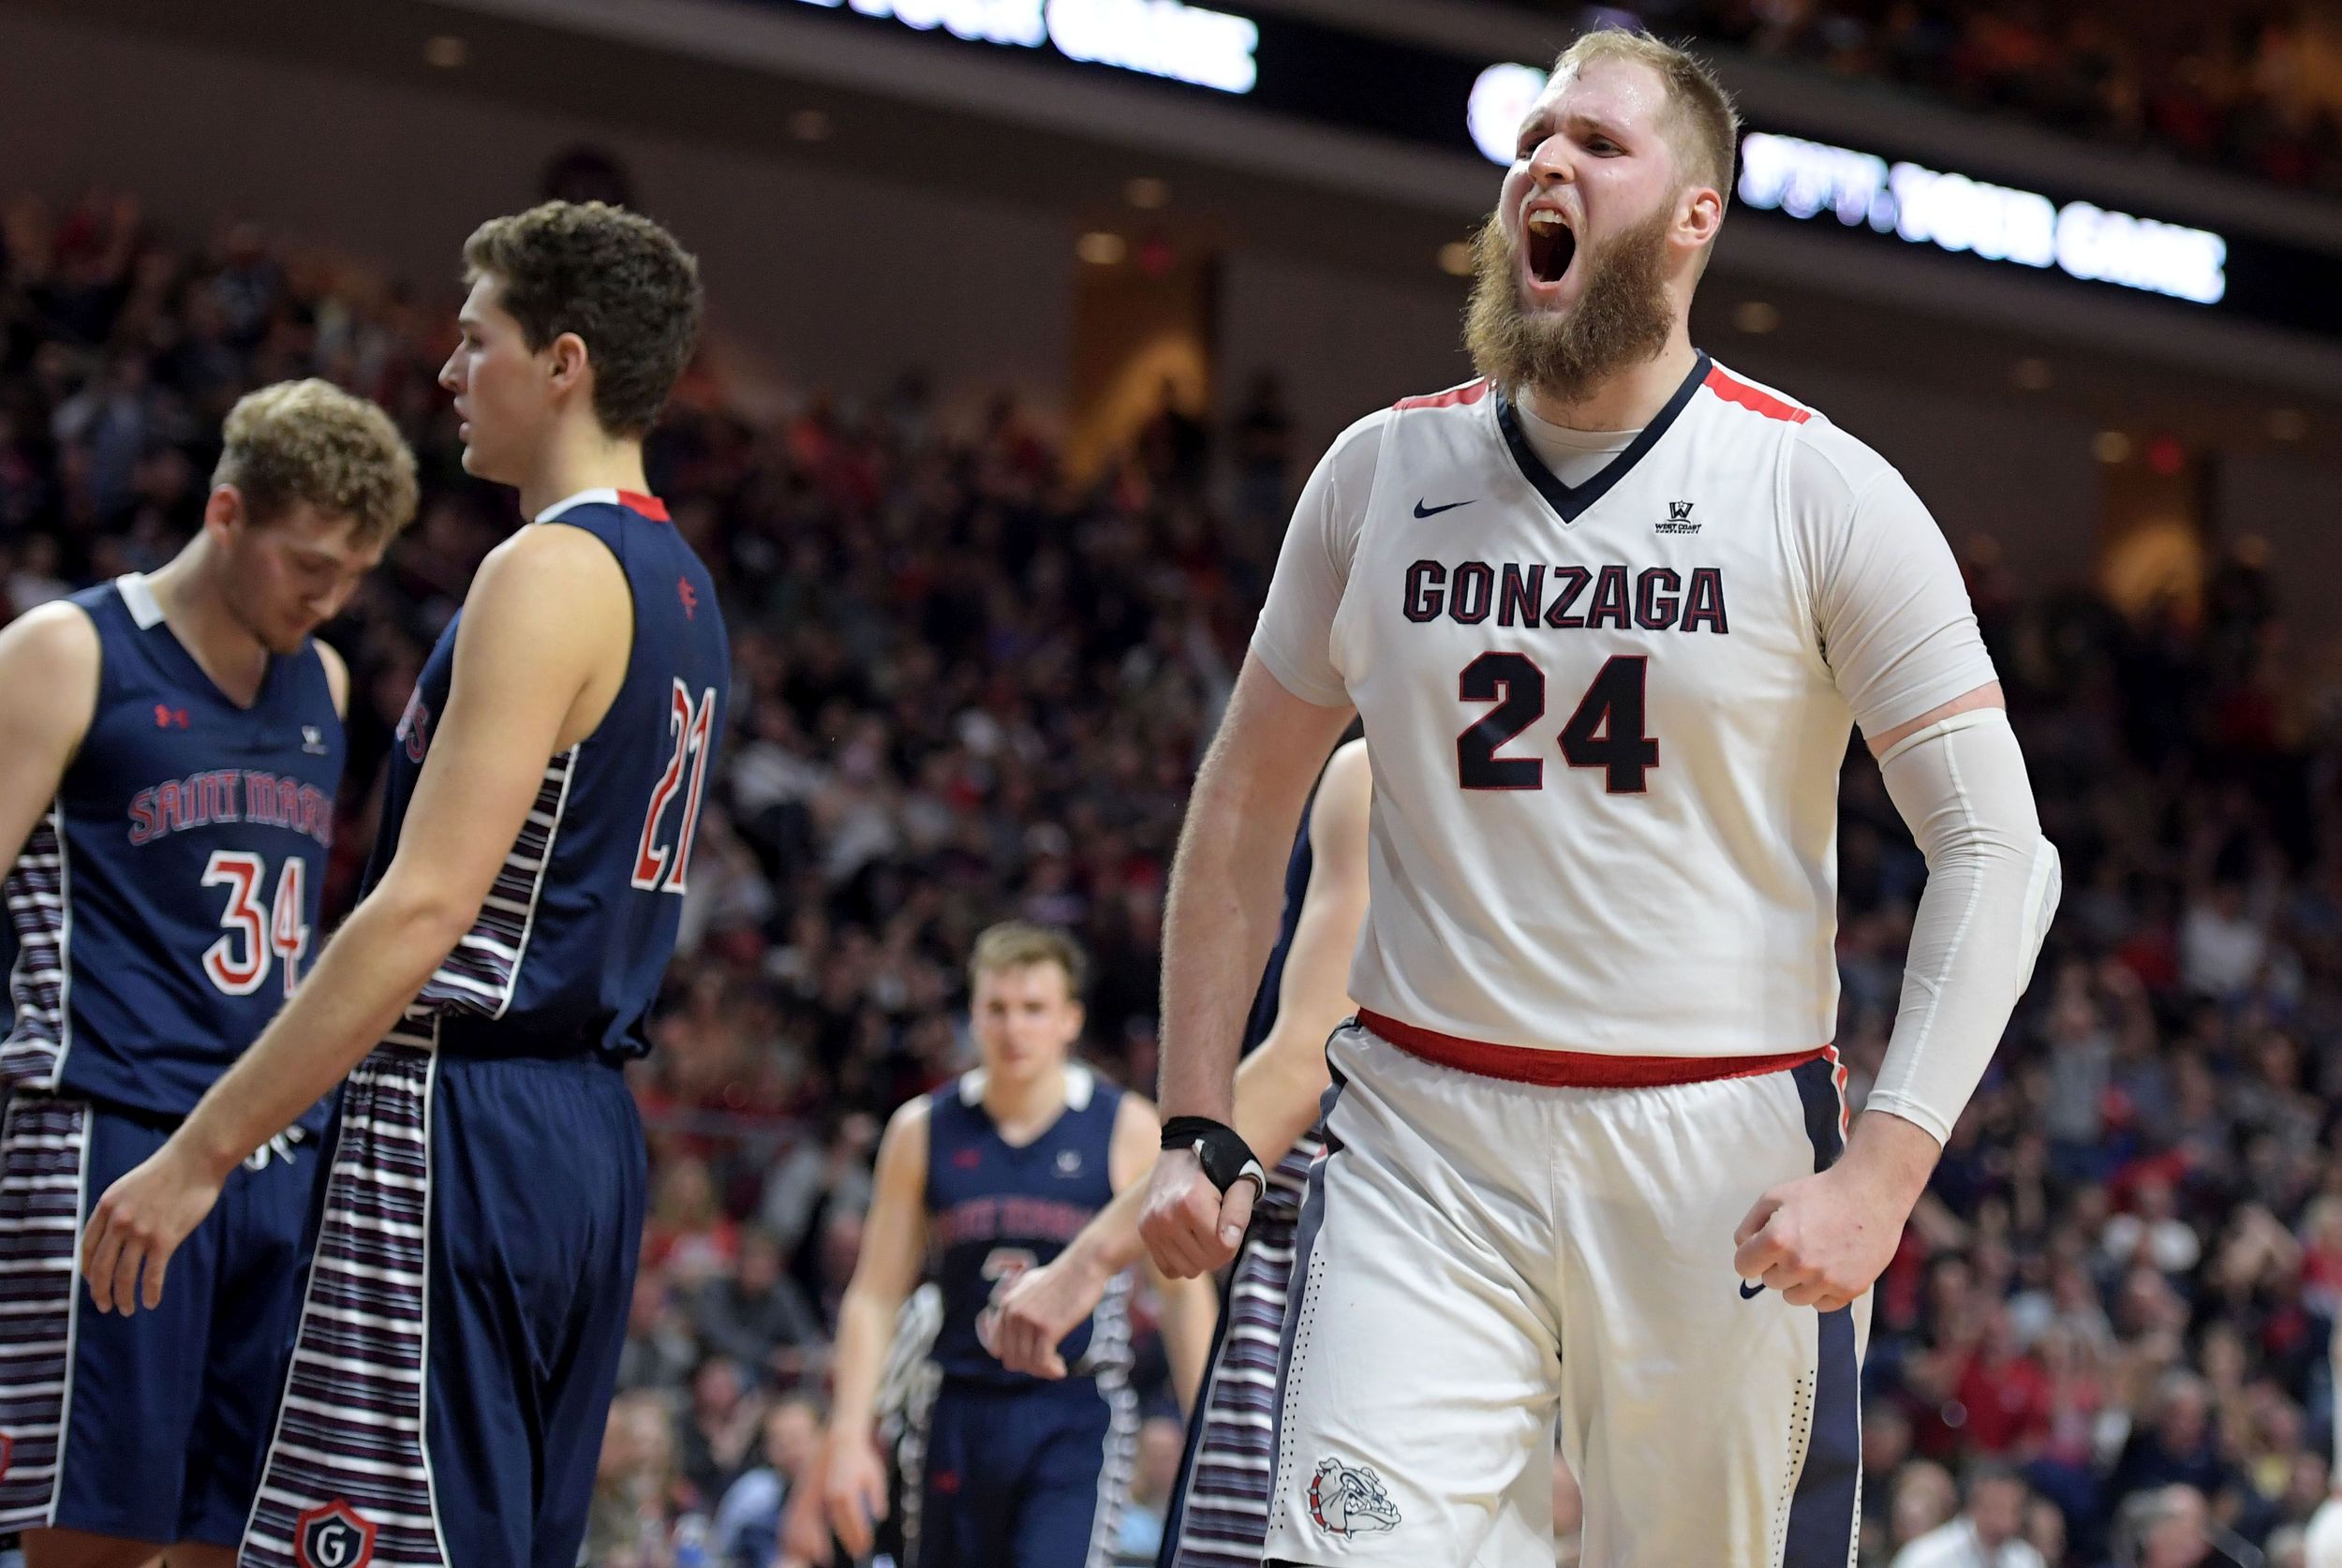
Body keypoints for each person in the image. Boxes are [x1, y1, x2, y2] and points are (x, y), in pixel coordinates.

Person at [1142, 27, 2061, 1568]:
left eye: (1599, 143)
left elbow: (1998, 849)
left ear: (1694, 214)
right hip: (1421, 1137)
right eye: (1533, 138)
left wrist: (1886, 1171)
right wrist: (1193, 1120)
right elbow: (1241, 811)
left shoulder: (1821, 489)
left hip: (1718, 1154)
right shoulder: (1378, 473)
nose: (1544, 163)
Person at [77, 200, 727, 1567]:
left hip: (463, 1115)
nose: (446, 372)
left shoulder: (546, 567)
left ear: (562, 361)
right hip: (587, 1131)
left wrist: (198, 1151)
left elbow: (427, 906)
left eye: (473, 338)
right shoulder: (683, 587)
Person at [0, 378, 412, 1568]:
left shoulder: (323, 684)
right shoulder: (65, 652)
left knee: (233, 1535)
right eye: (310, 566)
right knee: (96, 1534)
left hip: (268, 1146)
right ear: (226, 513)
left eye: (353, 574)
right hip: (109, 1129)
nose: (332, 598)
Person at [987, 738, 1373, 1568]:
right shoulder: (932, 1123)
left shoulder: (1381, 770)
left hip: (1358, 1263)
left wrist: (1086, 1261)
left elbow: (1307, 1057)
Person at [820, 924, 1215, 1568]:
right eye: (997, 1009)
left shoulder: (1126, 1127)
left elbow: (1181, 1293)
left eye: (1034, 1009)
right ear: (973, 1016)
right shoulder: (922, 1129)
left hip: (1075, 1411)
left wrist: (1207, 1430)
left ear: (1070, 1020)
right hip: (956, 1408)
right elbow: (873, 1295)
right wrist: (847, 1433)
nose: (1014, 1028)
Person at [1890, 1464, 2048, 1568]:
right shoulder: (1926, 1556)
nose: (2008, 1519)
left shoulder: (2027, 1559)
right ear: (1974, 1506)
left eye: (2015, 1508)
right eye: (1998, 1507)